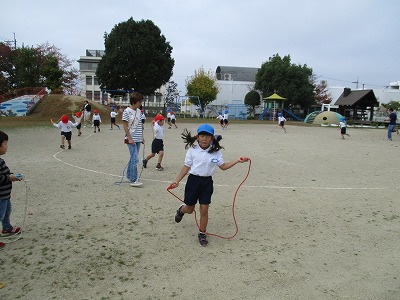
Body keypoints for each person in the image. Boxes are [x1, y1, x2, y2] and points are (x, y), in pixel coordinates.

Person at [169, 124, 250, 247]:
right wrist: (177, 180)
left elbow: (223, 167)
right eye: (202, 136)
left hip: (207, 183)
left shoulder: (216, 152)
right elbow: (186, 167)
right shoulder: (192, 151)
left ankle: (202, 233)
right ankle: (181, 210)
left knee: (204, 209)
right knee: (190, 209)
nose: (204, 139)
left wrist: (237, 160)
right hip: (193, 182)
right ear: (197, 137)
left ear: (212, 138)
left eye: (207, 136)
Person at [0, 131, 23, 249]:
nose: (7, 146)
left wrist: (13, 176)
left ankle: (7, 227)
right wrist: (9, 178)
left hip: (5, 195)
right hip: (0, 196)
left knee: (7, 212)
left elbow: (5, 173)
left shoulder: (1, 161)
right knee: (0, 214)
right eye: (5, 144)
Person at [122, 92, 145, 187]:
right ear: (135, 101)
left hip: (138, 138)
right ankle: (134, 179)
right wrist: (130, 138)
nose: (141, 103)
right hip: (131, 138)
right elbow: (125, 125)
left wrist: (142, 137)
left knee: (133, 157)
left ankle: (128, 175)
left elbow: (140, 125)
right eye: (140, 101)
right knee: (135, 158)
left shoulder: (139, 111)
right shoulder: (126, 111)